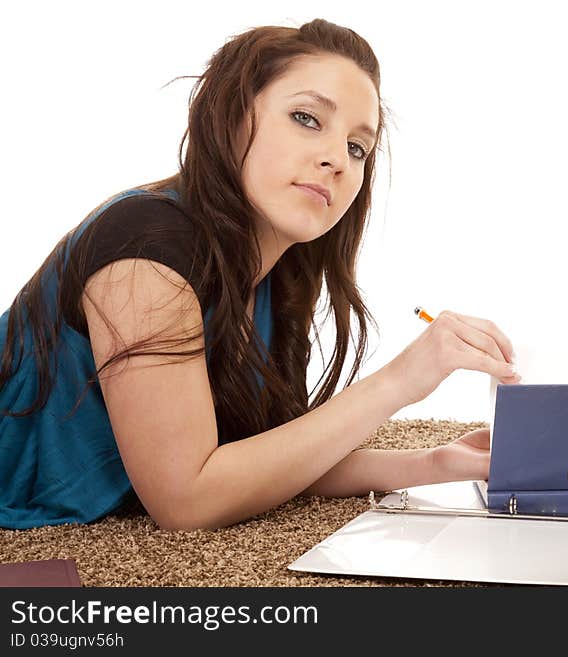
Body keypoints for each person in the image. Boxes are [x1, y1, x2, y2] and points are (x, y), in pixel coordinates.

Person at [0, 19, 520, 531]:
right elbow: (186, 501)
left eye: (358, 147)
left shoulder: (281, 274)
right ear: (232, 116)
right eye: (307, 118)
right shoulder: (146, 247)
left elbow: (260, 458)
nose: (338, 159)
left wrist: (434, 464)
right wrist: (400, 381)